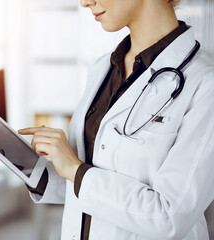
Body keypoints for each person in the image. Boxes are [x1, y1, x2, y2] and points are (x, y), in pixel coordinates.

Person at [18, 0, 214, 239]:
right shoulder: (103, 68)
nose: (84, 2)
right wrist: (40, 172)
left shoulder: (205, 85)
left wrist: (73, 169)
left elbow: (169, 217)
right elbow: (91, 182)